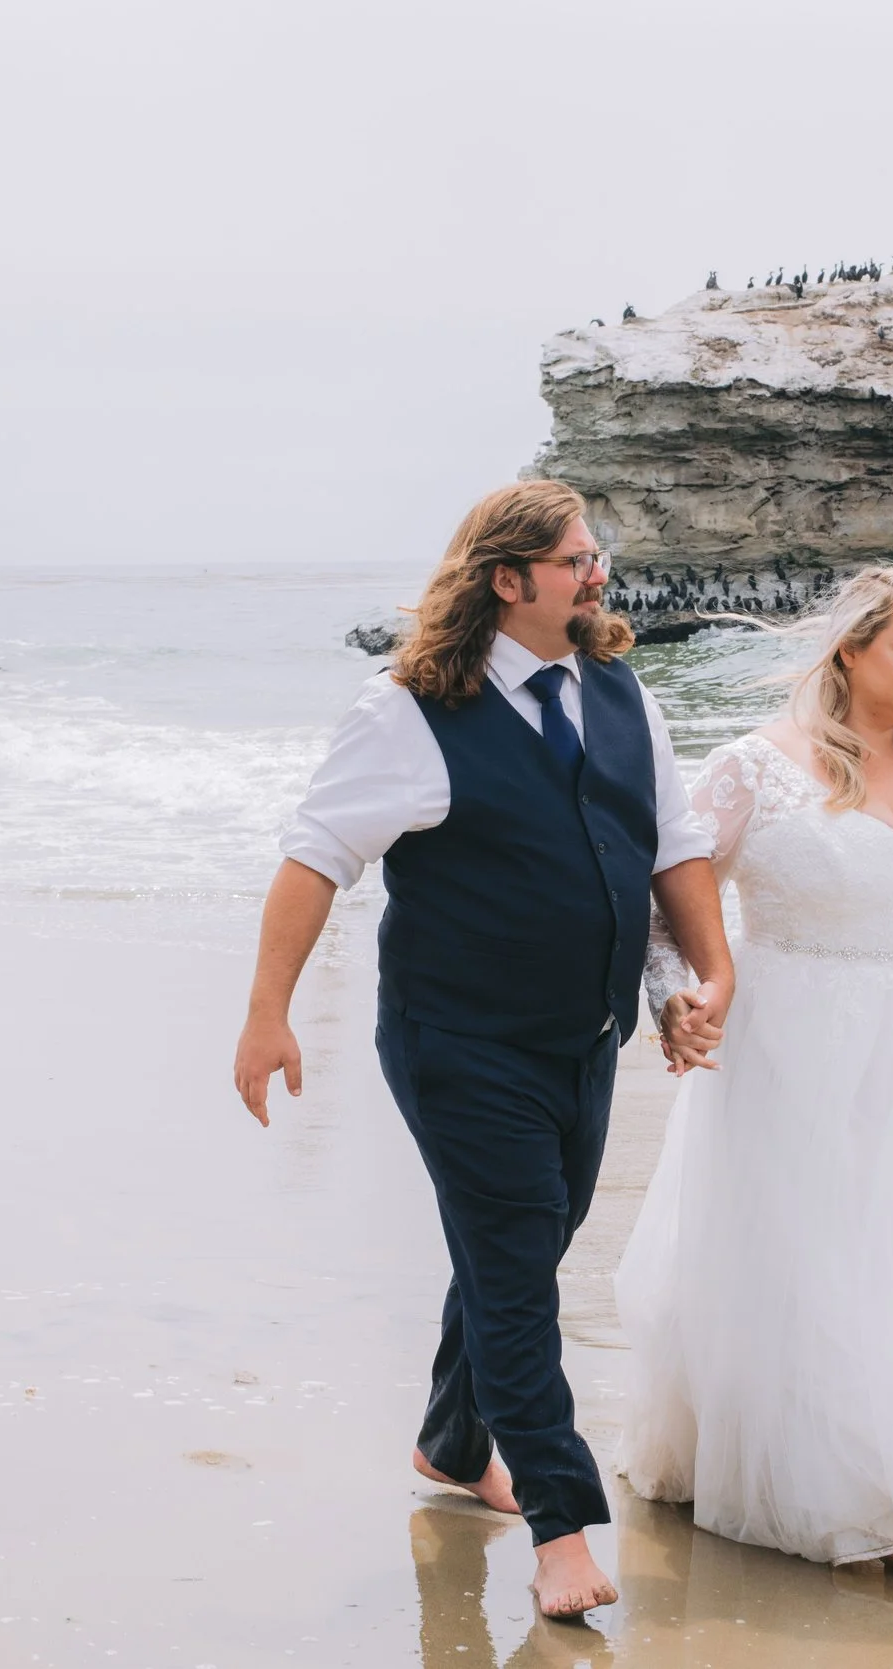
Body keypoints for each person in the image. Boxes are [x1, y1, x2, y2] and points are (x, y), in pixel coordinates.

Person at [232, 481, 733, 1620]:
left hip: (584, 1036)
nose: (597, 574)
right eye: (574, 560)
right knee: (514, 1267)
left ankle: (453, 1445)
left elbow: (674, 843)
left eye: (595, 556)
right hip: (458, 1041)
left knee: (516, 1252)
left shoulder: (617, 689)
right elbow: (314, 859)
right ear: (508, 580)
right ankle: (560, 1528)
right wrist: (270, 1013)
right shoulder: (404, 710)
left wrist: (706, 975)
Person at [617, 565, 893, 1585]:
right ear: (848, 649)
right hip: (794, 1047)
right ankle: (879, 1496)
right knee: (821, 1258)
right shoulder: (753, 768)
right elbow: (664, 901)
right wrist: (678, 996)